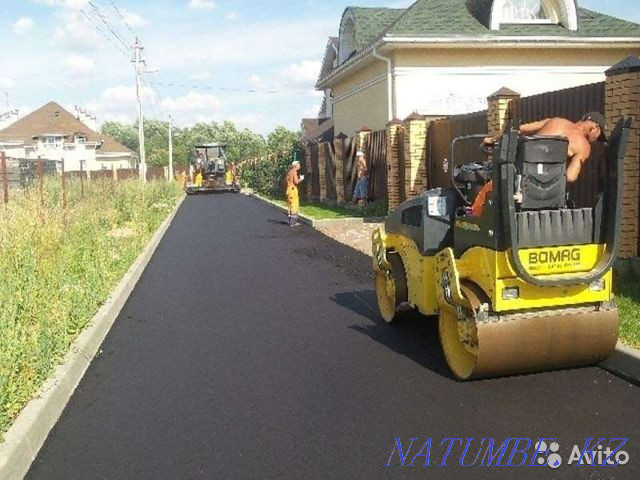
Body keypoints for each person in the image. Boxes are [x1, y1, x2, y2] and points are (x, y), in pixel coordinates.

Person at [471, 112, 607, 217]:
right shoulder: (584, 147)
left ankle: (473, 219)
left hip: (518, 183)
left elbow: (516, 130)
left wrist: (492, 139)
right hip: (548, 194)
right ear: (593, 128)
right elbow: (570, 177)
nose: (596, 141)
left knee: (488, 190)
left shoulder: (555, 121)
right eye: (599, 136)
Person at [284, 160, 305, 227]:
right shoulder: (294, 172)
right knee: (294, 205)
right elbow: (296, 182)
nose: (299, 166)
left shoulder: (289, 172)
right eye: (299, 164)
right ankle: (293, 222)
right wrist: (301, 179)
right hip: (293, 190)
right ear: (296, 166)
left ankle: (289, 220)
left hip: (288, 190)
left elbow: (286, 180)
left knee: (290, 205)